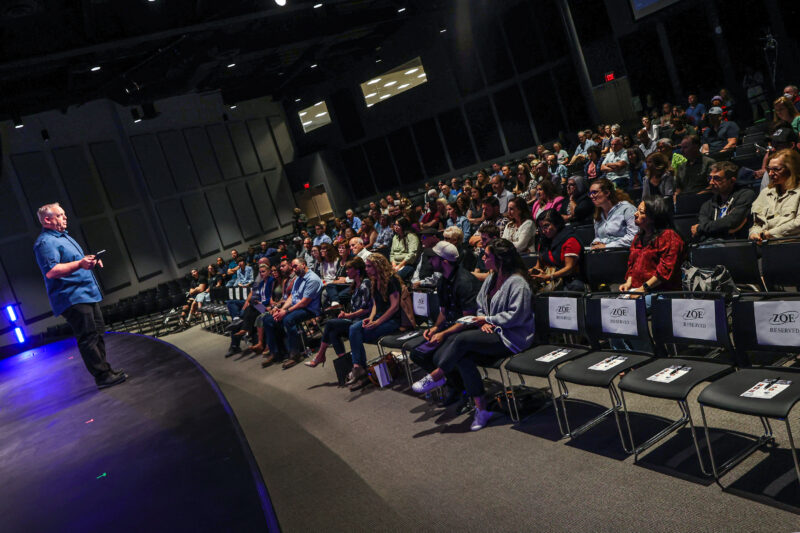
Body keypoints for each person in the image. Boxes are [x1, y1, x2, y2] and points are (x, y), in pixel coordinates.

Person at [410, 239, 535, 431]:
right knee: (463, 357)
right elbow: (480, 306)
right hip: (492, 331)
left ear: (499, 259)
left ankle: (438, 375)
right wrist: (484, 321)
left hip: (512, 337)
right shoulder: (492, 278)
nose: (483, 258)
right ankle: (482, 410)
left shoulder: (517, 282)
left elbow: (516, 315)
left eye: (487, 255)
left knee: (461, 339)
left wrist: (488, 320)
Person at [33, 203, 127, 389]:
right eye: (60, 215)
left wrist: (90, 260)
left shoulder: (64, 237)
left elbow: (75, 262)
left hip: (86, 293)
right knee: (88, 337)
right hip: (72, 296)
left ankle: (106, 371)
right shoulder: (45, 242)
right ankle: (102, 377)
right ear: (47, 220)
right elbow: (52, 271)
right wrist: (80, 264)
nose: (65, 217)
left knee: (97, 333)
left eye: (64, 214)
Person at [409, 241, 482, 407]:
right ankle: (454, 384)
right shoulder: (443, 281)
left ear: (444, 262)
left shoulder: (465, 282)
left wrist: (443, 333)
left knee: (438, 354)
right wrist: (435, 328)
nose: (430, 261)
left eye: (433, 258)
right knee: (417, 354)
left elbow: (468, 320)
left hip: (467, 331)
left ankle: (461, 390)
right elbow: (443, 311)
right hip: (450, 328)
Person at [345, 254, 404, 391]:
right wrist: (371, 318)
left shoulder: (391, 280)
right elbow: (375, 305)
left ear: (378, 266)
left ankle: (363, 372)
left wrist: (377, 322)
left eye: (369, 266)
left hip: (392, 320)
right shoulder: (374, 281)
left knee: (359, 335)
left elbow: (394, 307)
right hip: (378, 317)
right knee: (354, 329)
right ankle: (358, 367)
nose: (366, 269)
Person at [305, 258, 372, 368]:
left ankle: (320, 355)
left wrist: (348, 315)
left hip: (363, 320)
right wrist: (347, 314)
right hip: (354, 318)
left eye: (349, 268)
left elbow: (367, 309)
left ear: (357, 270)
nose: (346, 271)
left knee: (330, 323)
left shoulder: (365, 284)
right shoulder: (355, 285)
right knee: (333, 333)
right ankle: (347, 366)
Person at [261, 258, 323, 368]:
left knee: (288, 319)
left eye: (295, 266)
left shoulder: (312, 279)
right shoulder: (298, 278)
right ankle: (275, 353)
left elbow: (304, 302)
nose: (294, 269)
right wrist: (282, 309)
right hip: (297, 307)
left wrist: (286, 312)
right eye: (293, 267)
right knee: (268, 319)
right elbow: (291, 297)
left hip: (309, 309)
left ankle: (295, 354)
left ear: (303, 265)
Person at [619, 197, 685, 293]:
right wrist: (628, 283)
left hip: (661, 292)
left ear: (653, 217)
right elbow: (632, 266)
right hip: (638, 290)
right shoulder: (638, 237)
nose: (635, 214)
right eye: (637, 210)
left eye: (641, 212)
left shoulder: (669, 236)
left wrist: (643, 288)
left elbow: (665, 271)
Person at [691, 161, 756, 241]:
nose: (711, 182)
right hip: (710, 244)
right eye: (710, 178)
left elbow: (732, 222)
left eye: (717, 178)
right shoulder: (708, 205)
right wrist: (725, 230)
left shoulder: (745, 195)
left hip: (736, 244)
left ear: (732, 181)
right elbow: (702, 228)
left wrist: (700, 228)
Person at [749, 149, 800, 243]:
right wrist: (754, 233)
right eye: (769, 169)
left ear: (791, 169)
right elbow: (757, 224)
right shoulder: (765, 193)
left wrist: (770, 233)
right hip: (765, 245)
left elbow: (798, 224)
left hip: (792, 245)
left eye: (776, 169)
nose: (770, 174)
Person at [225, 262, 275, 357]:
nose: (261, 274)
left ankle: (242, 327)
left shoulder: (271, 281)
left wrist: (260, 303)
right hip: (258, 305)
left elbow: (271, 297)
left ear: (269, 271)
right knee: (231, 302)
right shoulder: (260, 282)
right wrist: (250, 301)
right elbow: (253, 293)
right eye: (260, 272)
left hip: (265, 307)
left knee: (248, 310)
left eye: (263, 271)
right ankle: (237, 320)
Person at [530, 209, 584, 291]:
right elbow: (539, 266)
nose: (543, 231)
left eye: (546, 226)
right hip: (550, 280)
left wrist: (549, 276)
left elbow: (569, 268)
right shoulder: (543, 241)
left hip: (570, 280)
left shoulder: (570, 240)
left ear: (557, 223)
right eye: (541, 227)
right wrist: (531, 272)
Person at [589, 178, 637, 249]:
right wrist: (596, 242)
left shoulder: (627, 209)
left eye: (595, 192)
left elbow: (634, 237)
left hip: (623, 252)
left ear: (607, 193)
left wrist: (607, 246)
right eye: (590, 193)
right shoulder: (598, 214)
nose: (591, 196)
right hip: (605, 252)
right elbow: (598, 237)